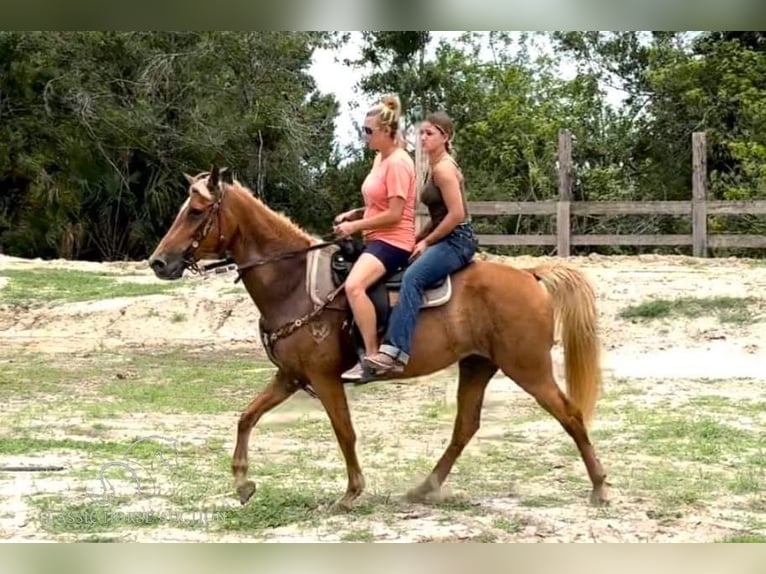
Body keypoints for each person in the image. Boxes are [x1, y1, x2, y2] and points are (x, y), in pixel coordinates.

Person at [363, 111, 478, 375]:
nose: (423, 138)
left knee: (413, 278)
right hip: (445, 236)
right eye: (421, 133)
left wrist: (427, 243)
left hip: (456, 241)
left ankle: (395, 351)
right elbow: (438, 215)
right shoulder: (433, 167)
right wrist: (418, 238)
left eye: (429, 133)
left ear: (445, 137)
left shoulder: (444, 170)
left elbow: (456, 215)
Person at [333, 94, 417, 381]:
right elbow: (375, 202)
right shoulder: (379, 158)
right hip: (376, 237)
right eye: (363, 130)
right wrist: (353, 214)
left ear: (386, 132)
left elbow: (395, 213)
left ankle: (371, 357)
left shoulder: (398, 163)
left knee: (355, 286)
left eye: (368, 131)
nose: (364, 136)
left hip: (394, 241)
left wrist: (355, 228)